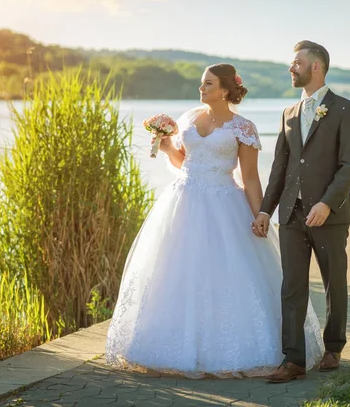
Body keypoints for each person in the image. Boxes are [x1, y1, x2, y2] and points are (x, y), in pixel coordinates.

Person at [104, 63, 323, 378]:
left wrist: (261, 213)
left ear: (225, 89)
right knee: (175, 272)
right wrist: (167, 147)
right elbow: (186, 162)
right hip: (183, 201)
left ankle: (229, 351)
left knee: (226, 274)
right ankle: (169, 346)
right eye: (201, 83)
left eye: (207, 84)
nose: (201, 89)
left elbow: (249, 177)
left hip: (224, 205)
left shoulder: (243, 127)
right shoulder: (190, 119)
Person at [253, 41, 350, 383]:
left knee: (334, 283)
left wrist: (327, 203)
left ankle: (333, 348)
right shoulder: (288, 113)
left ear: (316, 66)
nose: (291, 68)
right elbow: (279, 168)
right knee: (292, 287)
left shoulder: (346, 109)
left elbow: (348, 166)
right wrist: (265, 211)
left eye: (296, 62)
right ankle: (293, 360)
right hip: (291, 214)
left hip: (329, 214)